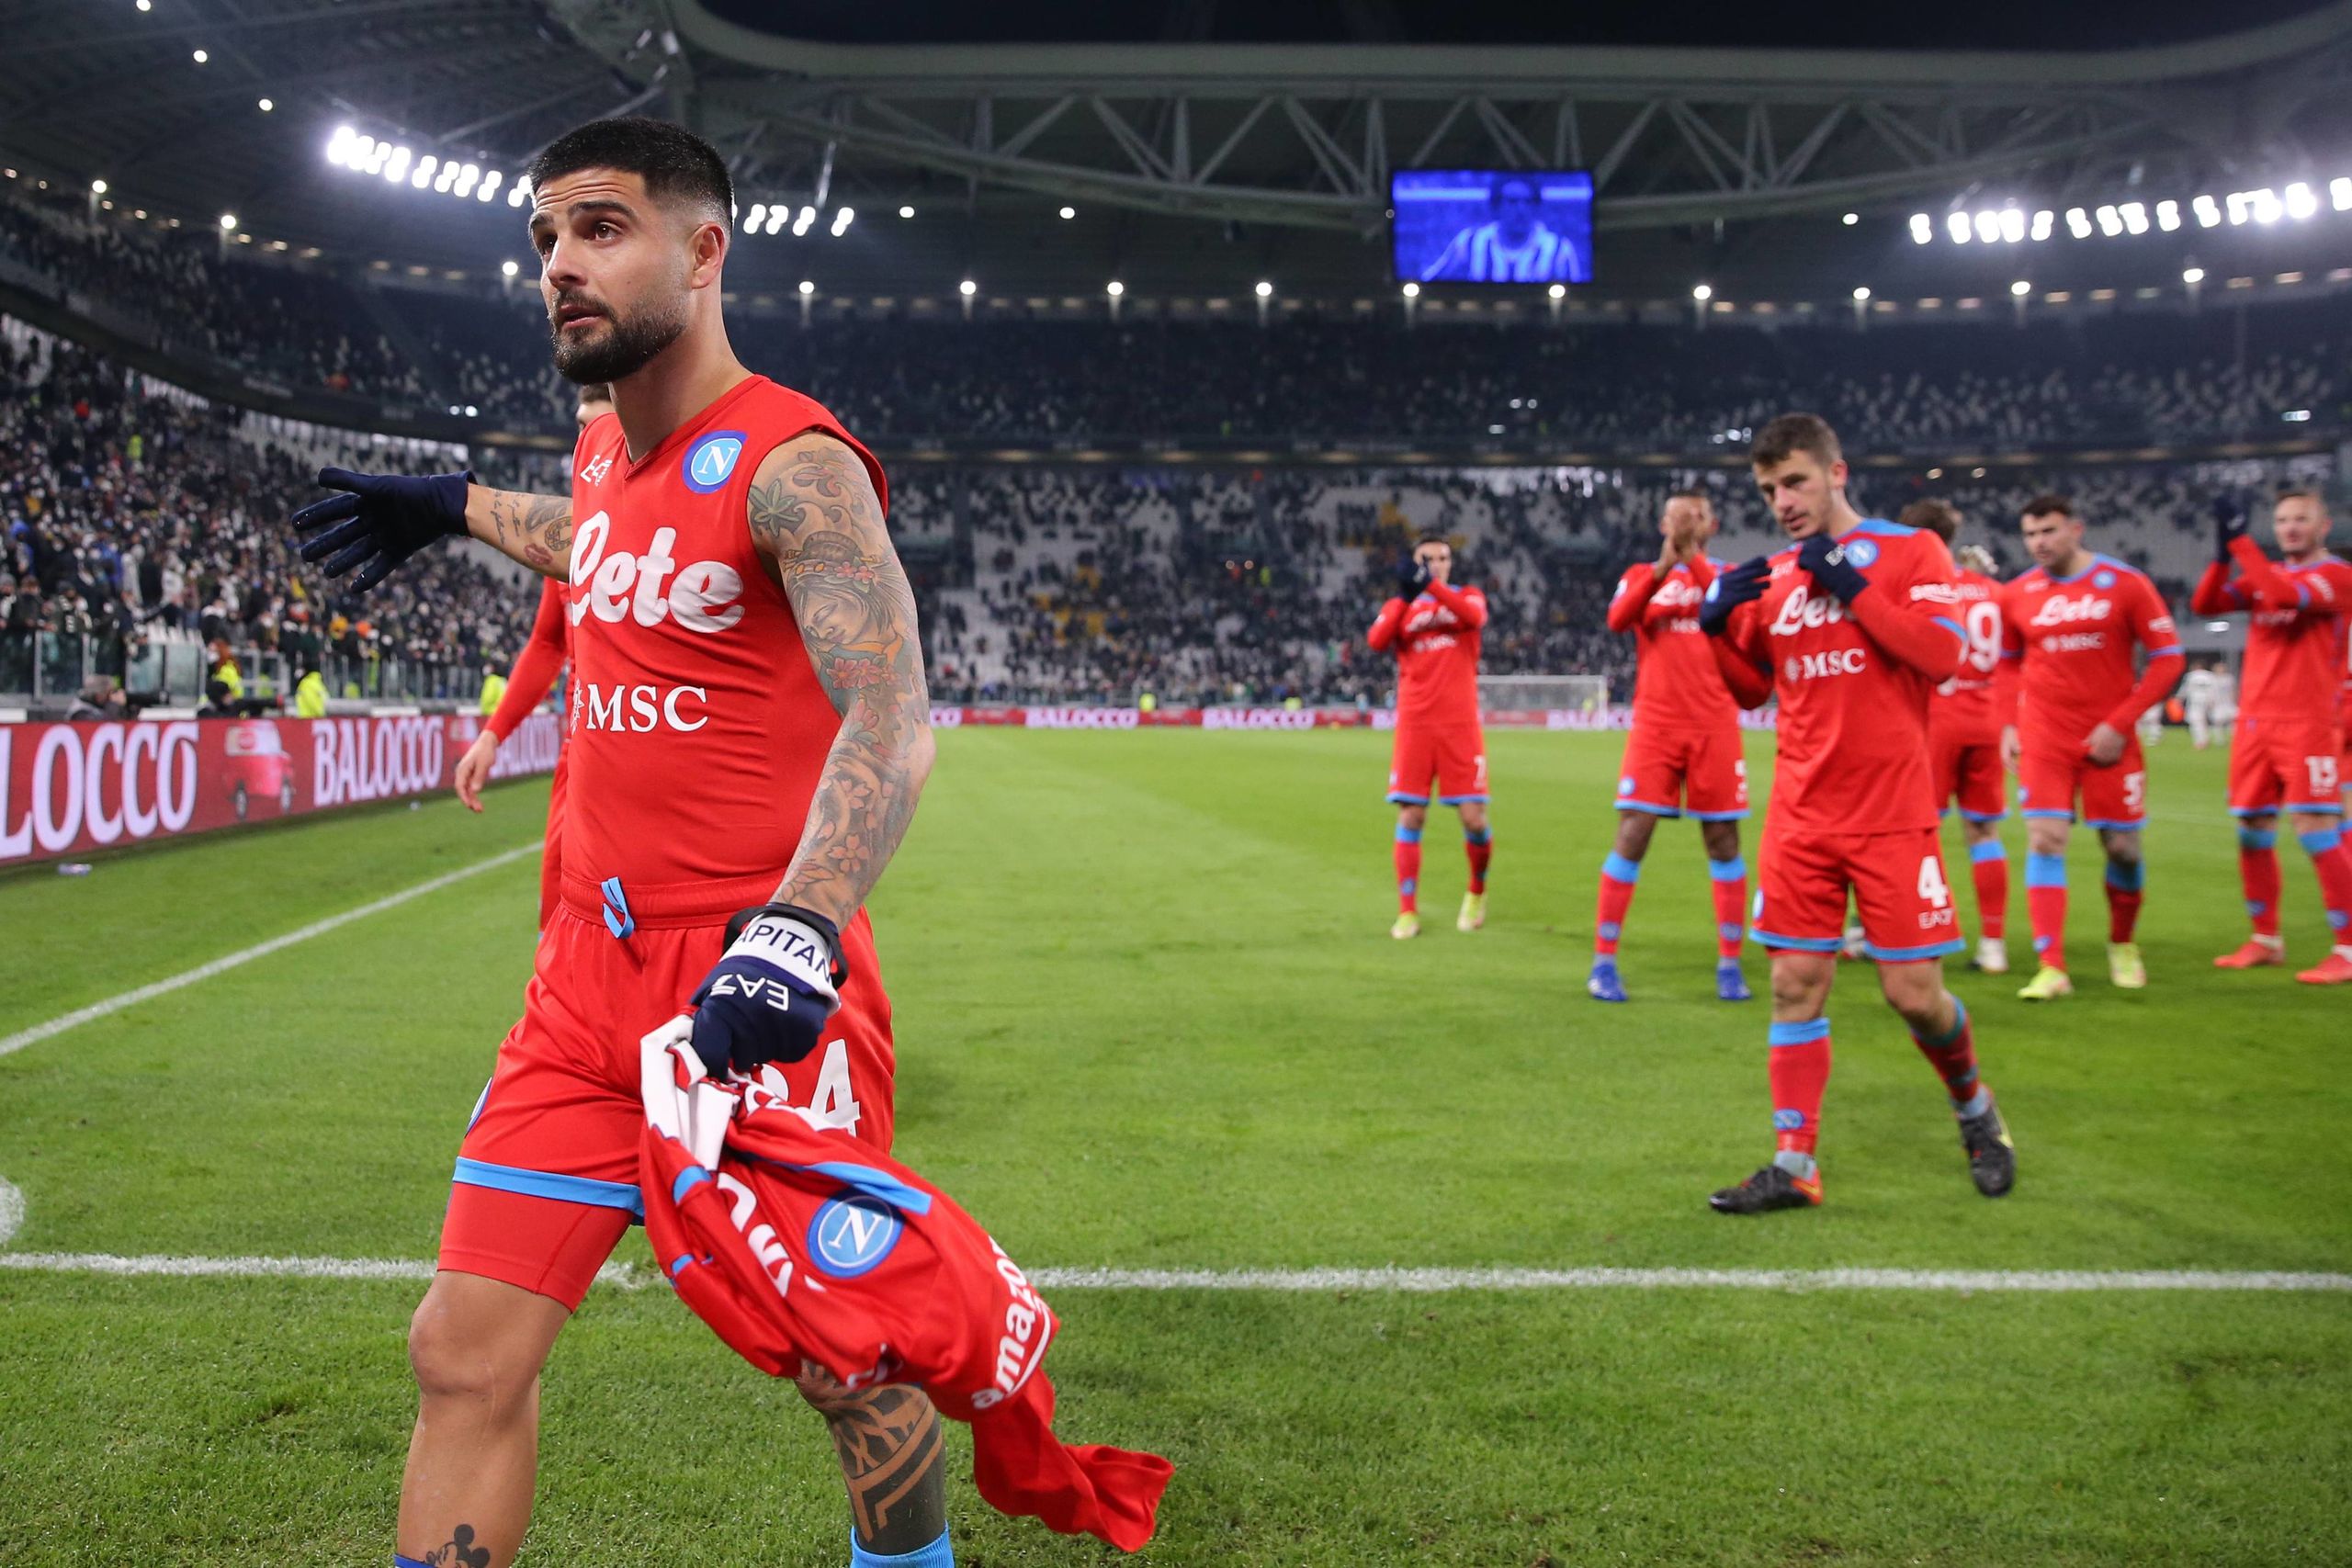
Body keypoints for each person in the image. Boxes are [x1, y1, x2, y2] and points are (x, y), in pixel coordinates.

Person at [289, 117, 952, 1568]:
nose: (558, 265)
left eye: (600, 229)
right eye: (544, 238)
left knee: (855, 1368)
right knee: (461, 1350)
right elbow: (597, 534)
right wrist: (454, 504)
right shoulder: (603, 448)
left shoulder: (798, 465)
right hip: (583, 986)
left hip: (756, 979)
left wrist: (799, 928)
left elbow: (895, 711)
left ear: (705, 250)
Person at [1697, 413, 2012, 1215]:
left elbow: (1942, 656)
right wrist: (1715, 630)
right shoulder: (1774, 576)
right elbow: (1753, 690)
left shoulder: (1912, 550)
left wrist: (1848, 582)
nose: (1782, 501)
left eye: (1795, 481)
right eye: (1768, 489)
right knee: (1793, 985)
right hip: (1801, 816)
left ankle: (1976, 1109)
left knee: (1914, 994)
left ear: (1836, 473)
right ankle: (1795, 1163)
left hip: (1893, 814)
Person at [1997, 495, 2184, 1000]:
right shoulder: (2016, 594)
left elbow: (2168, 658)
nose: (2039, 542)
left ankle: (2122, 943)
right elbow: (2007, 663)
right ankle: (2051, 966)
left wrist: (2120, 724)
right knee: (2044, 839)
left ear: (2076, 529)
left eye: (2049, 531)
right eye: (2030, 534)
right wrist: (2008, 724)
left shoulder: (2125, 583)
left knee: (2122, 847)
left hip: (2109, 739)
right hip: (2044, 737)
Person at [455, 383, 613, 931]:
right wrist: (492, 735)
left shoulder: (677, 525)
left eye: (598, 428)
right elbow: (548, 643)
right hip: (579, 759)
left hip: (647, 762)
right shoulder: (571, 534)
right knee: (559, 921)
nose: (584, 444)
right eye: (580, 429)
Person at [1589, 490, 1751, 1004]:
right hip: (1656, 727)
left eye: (1696, 515)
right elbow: (1618, 619)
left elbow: (1738, 622)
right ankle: (1603, 962)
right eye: (1676, 515)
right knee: (1633, 832)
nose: (1685, 522)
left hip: (1715, 725)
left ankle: (1730, 966)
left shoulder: (1728, 576)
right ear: (1661, 524)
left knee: (1723, 839)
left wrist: (1693, 561)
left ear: (1712, 524)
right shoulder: (1642, 575)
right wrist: (1663, 567)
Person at [2190, 490, 2352, 984]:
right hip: (2256, 722)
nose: (2290, 528)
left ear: (2323, 526)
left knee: (2315, 828)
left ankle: (2348, 948)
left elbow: (2283, 597)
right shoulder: (2267, 574)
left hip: (2308, 722)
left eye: (2301, 519)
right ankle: (2266, 939)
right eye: (2282, 520)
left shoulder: (2337, 576)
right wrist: (2222, 555)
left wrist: (2242, 544)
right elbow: (2206, 603)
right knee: (2252, 829)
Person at [1899, 500, 2012, 975]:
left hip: (1936, 720)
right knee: (1983, 832)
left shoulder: (1922, 587)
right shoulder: (1993, 590)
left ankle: (1921, 936)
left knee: (1918, 832)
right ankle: (1994, 945)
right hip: (1986, 718)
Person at [1367, 530, 1490, 938]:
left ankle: (1476, 891)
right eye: (1427, 560)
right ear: (1414, 563)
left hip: (1460, 725)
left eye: (1442, 559)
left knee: (1474, 819)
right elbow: (1376, 640)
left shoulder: (1469, 596)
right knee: (1411, 814)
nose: (1435, 565)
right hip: (1415, 724)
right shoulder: (1400, 606)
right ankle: (1407, 910)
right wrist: (1407, 597)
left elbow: (1475, 619)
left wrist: (1431, 587)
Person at [1418, 176, 1584, 284]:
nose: (1521, 210)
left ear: (1536, 207)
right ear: (1496, 206)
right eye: (1512, 202)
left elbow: (1576, 296)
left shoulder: (1558, 248)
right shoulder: (1470, 241)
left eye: (1528, 202)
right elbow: (1430, 281)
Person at [2181, 656, 2227, 750]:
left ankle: (2201, 741)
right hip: (2208, 701)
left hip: (2196, 702)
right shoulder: (2210, 676)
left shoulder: (2191, 675)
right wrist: (2214, 702)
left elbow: (2185, 690)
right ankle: (2205, 739)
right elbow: (2215, 690)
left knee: (2195, 721)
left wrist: (2179, 699)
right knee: (2204, 721)